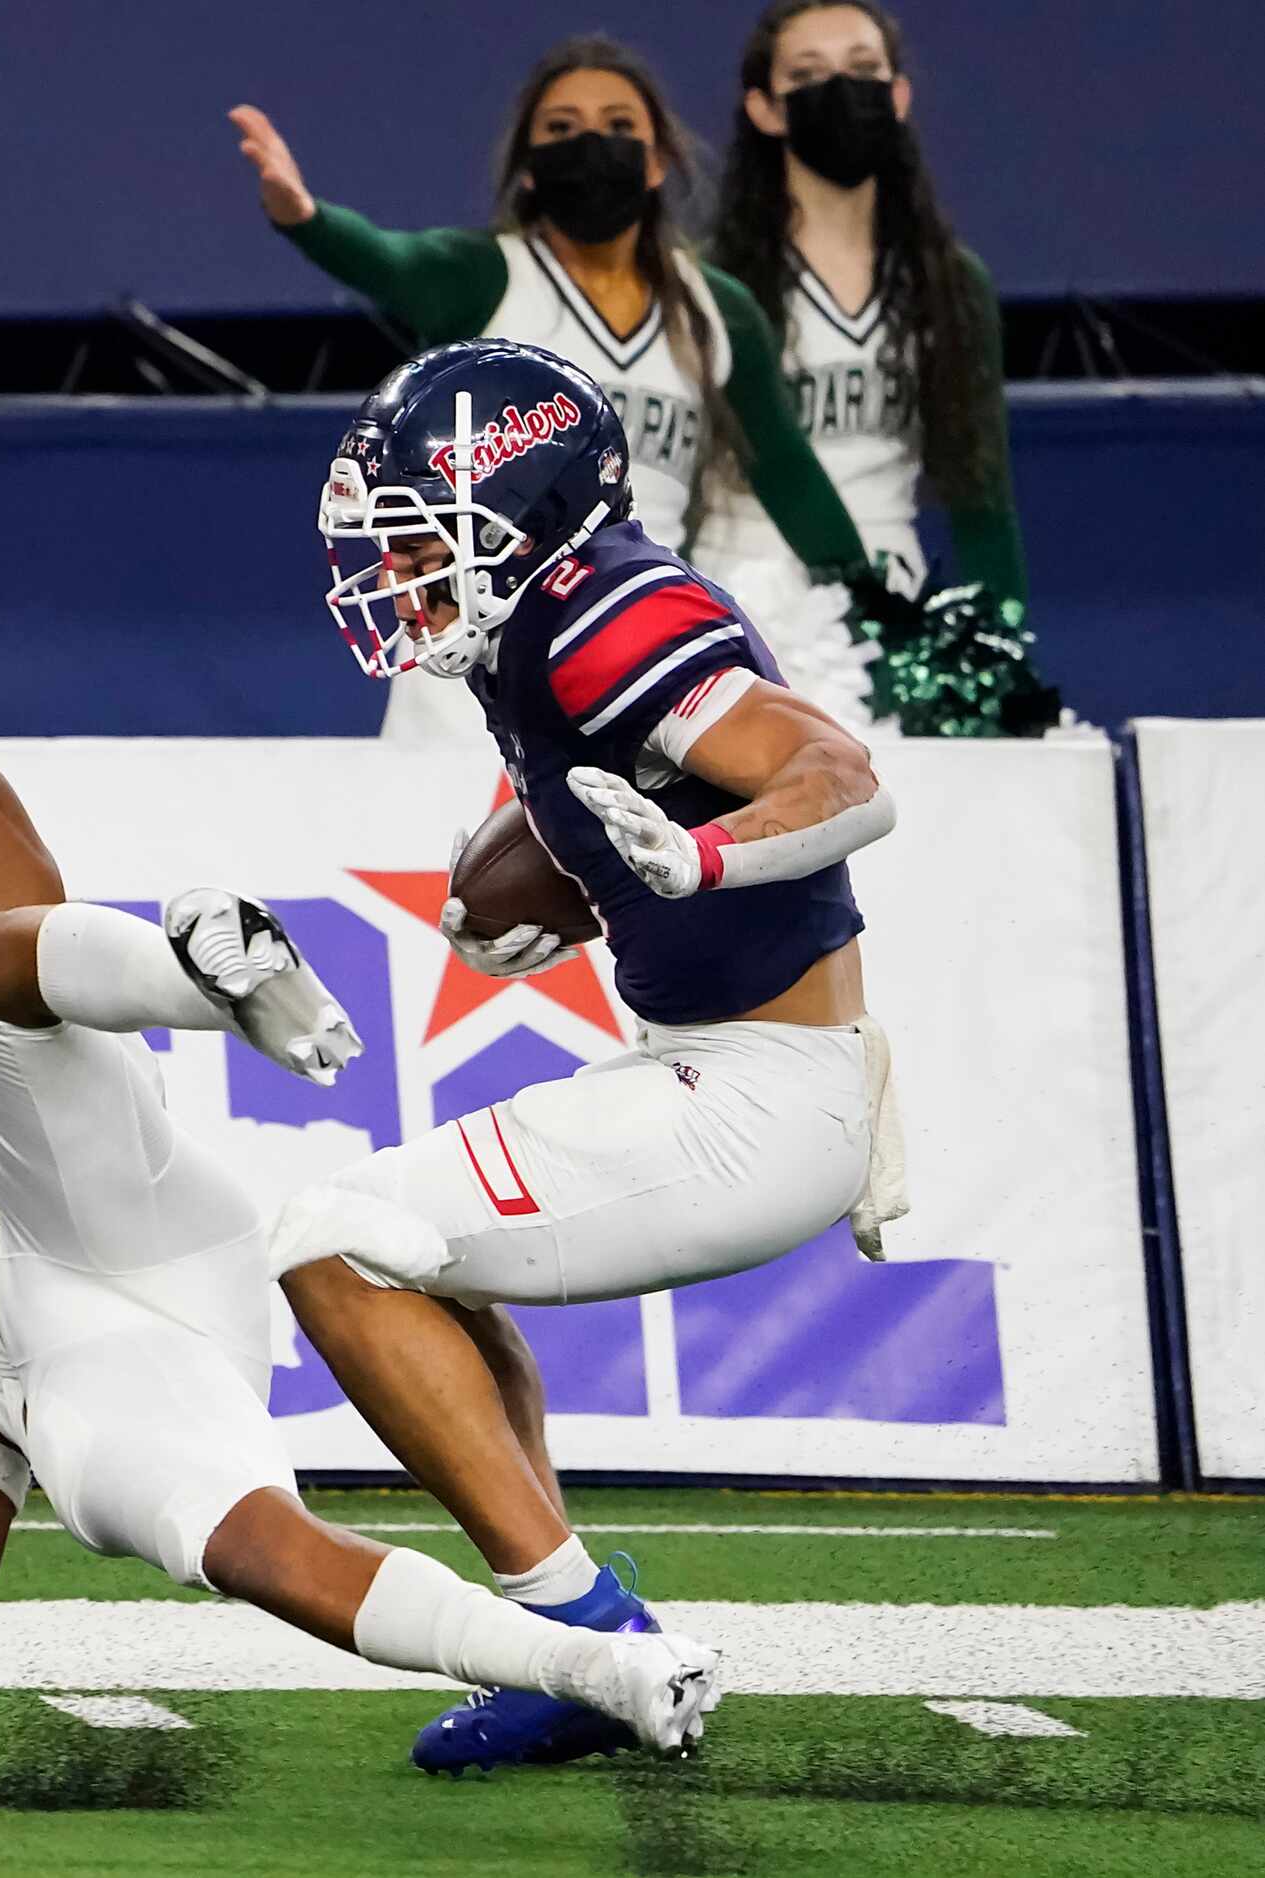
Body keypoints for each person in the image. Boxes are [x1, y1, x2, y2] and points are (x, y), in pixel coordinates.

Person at [0, 614, 723, 1812]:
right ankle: (592, 1661)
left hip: (67, 1286)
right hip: (141, 1251)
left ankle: (596, 1664)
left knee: (255, 1547)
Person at [281, 337, 903, 1771]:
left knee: (330, 1239)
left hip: (760, 1095)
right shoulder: (552, 616)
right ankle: (564, 1620)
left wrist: (696, 854)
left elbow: (841, 778)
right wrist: (560, 872)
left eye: (421, 538)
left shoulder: (609, 609)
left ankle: (583, 1633)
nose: (401, 576)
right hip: (712, 1060)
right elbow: (597, 801)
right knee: (412, 1250)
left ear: (519, 509)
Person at [229, 35, 870, 741]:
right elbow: (386, 258)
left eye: (619, 127)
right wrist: (304, 216)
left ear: (657, 162)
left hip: (633, 639)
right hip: (467, 634)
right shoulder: (481, 276)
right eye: (560, 129)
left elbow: (788, 476)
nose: (591, 144)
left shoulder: (718, 309)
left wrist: (879, 606)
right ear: (528, 169)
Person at [704, 1, 1057, 737]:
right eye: (808, 74)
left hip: (897, 622)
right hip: (741, 597)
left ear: (897, 95)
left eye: (862, 70)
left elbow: (980, 493)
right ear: (764, 109)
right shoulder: (711, 280)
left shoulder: (948, 283)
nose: (840, 89)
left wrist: (1000, 651)